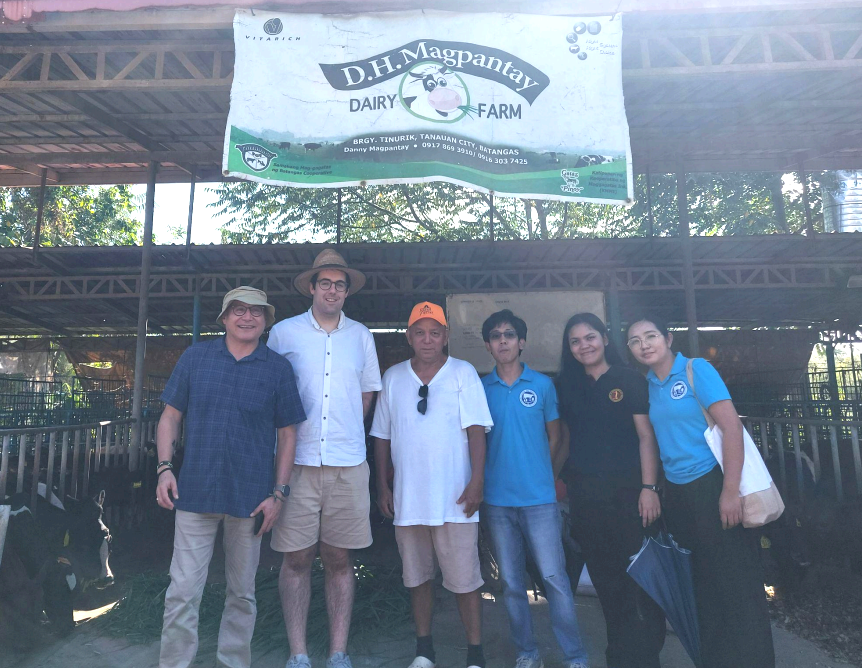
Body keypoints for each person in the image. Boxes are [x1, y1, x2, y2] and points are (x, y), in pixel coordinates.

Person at [156, 286, 306, 668]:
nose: (247, 317)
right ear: (223, 318)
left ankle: (233, 662)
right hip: (195, 492)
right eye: (238, 310)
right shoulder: (196, 358)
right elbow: (170, 416)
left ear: (266, 322)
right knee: (183, 592)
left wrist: (280, 493)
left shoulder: (277, 368)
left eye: (257, 312)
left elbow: (289, 432)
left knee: (242, 594)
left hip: (251, 497)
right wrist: (163, 468)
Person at [626, 316, 775, 668]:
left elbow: (732, 428)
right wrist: (652, 488)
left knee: (736, 583)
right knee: (703, 587)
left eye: (651, 336)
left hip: (713, 485)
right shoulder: (647, 385)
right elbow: (649, 440)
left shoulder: (696, 370)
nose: (644, 344)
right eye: (635, 341)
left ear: (668, 338)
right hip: (678, 494)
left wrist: (729, 491)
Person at [267, 249, 382, 668]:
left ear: (346, 291)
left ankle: (337, 652)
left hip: (348, 463)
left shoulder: (362, 336)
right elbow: (272, 394)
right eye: (325, 283)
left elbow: (368, 392)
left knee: (338, 557)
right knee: (295, 557)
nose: (332, 290)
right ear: (312, 287)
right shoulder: (283, 333)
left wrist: (344, 427)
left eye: (340, 284)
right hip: (295, 463)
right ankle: (298, 653)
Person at [371, 302, 493, 668]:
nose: (427, 340)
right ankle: (425, 651)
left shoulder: (462, 373)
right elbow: (381, 437)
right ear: (409, 336)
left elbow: (476, 431)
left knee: (465, 581)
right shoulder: (393, 377)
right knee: (417, 579)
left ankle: (475, 655)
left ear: (446, 336)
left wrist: (477, 481)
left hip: (456, 499)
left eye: (435, 332)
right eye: (420, 332)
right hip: (409, 502)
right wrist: (382, 487)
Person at [479, 309, 589, 668]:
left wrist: (546, 476)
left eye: (510, 334)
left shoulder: (542, 385)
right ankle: (527, 653)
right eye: (496, 335)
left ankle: (574, 656)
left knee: (556, 579)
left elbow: (557, 438)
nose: (503, 340)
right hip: (497, 502)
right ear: (488, 345)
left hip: (540, 501)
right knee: (511, 584)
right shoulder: (480, 389)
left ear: (522, 342)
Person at [556, 313, 666, 668]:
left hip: (630, 499)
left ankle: (647, 658)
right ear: (569, 349)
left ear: (604, 339)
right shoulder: (566, 386)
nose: (583, 345)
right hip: (587, 501)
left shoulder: (629, 379)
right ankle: (618, 658)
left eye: (590, 337)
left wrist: (649, 487)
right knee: (608, 588)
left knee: (641, 585)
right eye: (575, 341)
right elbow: (565, 439)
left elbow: (646, 436)